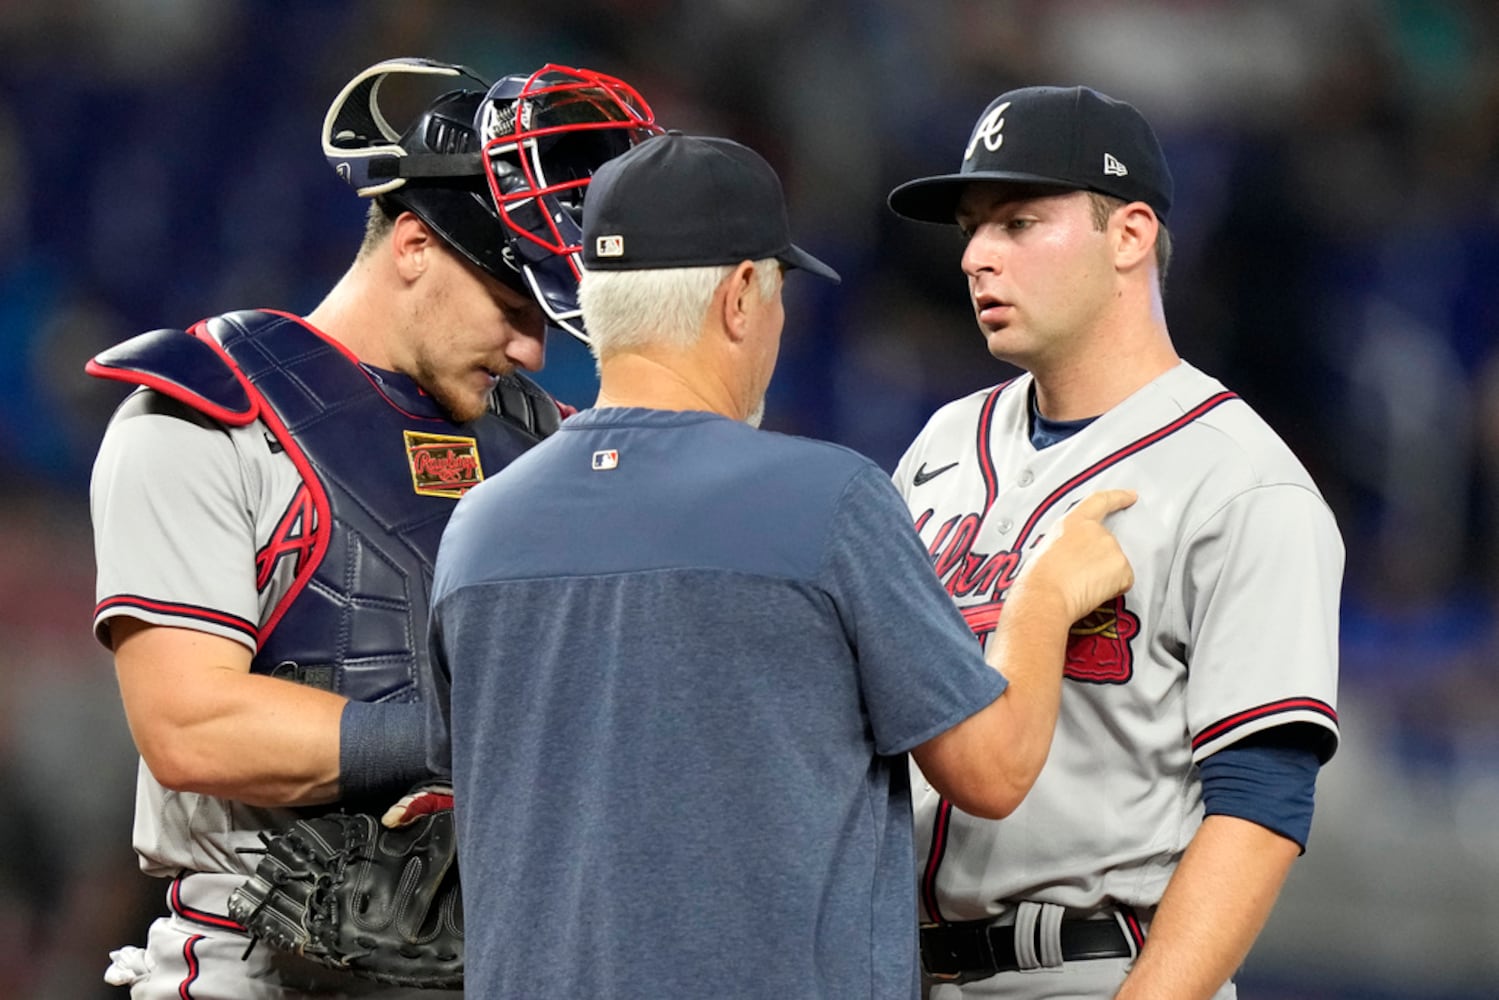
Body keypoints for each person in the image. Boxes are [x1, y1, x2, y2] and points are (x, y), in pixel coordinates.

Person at [425, 130, 1137, 1000]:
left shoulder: (477, 528)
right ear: (738, 297)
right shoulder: (824, 501)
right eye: (776, 294)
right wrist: (1045, 595)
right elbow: (991, 773)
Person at [85, 57, 659, 998]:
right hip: (259, 962)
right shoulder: (205, 415)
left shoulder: (540, 438)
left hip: (500, 955)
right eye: (515, 306)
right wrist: (473, 737)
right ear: (413, 244)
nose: (531, 346)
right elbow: (191, 727)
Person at [885, 85, 1344, 999]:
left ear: (1129, 235)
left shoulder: (1241, 481)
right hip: (897, 966)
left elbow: (1260, 806)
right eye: (972, 227)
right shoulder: (941, 445)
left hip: (1094, 967)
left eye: (1018, 222)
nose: (976, 255)